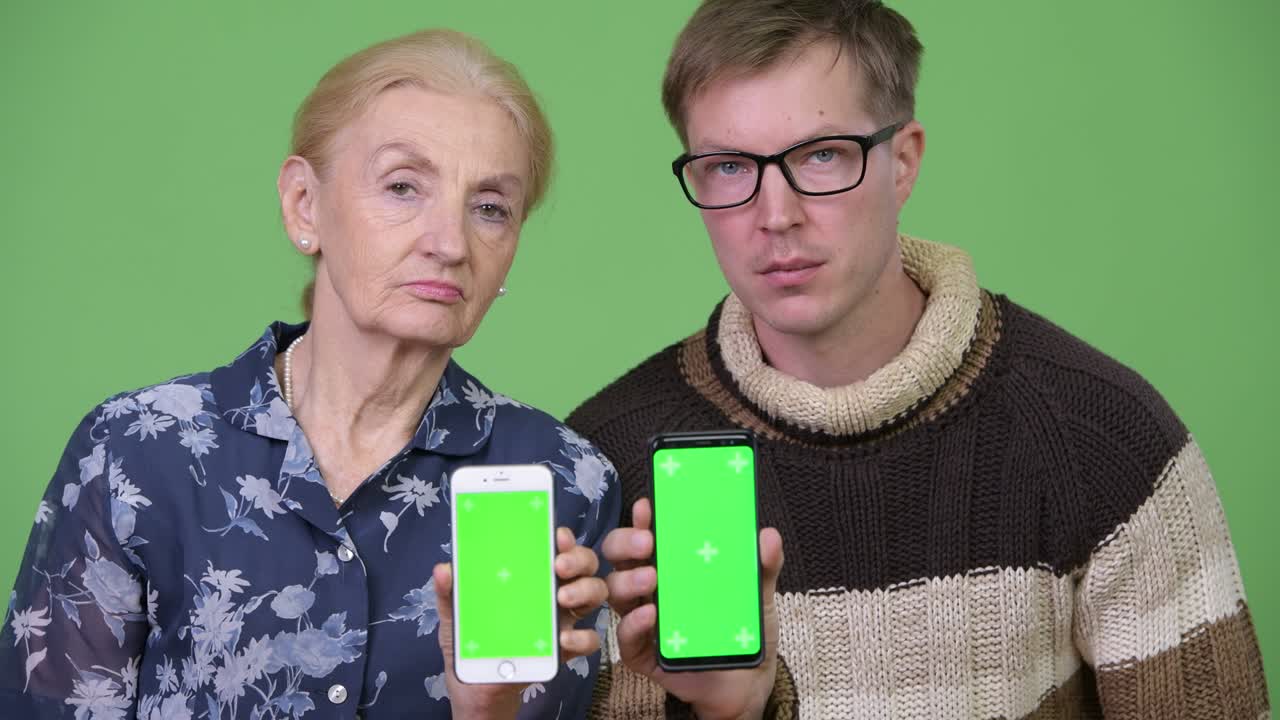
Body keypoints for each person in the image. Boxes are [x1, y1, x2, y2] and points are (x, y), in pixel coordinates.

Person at [572, 1, 1269, 718]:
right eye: (727, 166)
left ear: (902, 164)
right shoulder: (596, 471)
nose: (774, 213)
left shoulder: (1108, 439)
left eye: (821, 155)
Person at [0, 28, 620, 720]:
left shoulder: (565, 480)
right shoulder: (135, 454)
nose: (450, 243)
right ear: (304, 204)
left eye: (490, 208)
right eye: (403, 186)